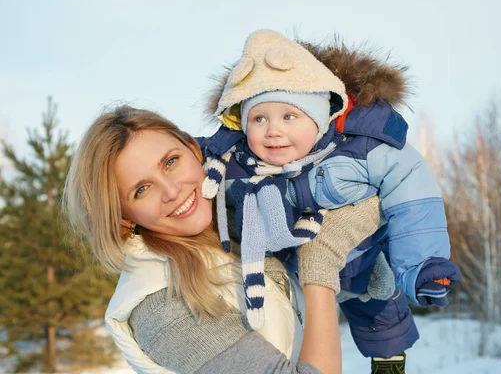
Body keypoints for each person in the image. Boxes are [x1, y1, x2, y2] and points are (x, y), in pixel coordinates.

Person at [200, 29, 462, 372]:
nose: (272, 130)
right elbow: (180, 165)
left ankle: (389, 362)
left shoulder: (362, 149)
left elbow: (413, 195)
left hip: (361, 257)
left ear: (321, 116)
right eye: (258, 118)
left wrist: (424, 263)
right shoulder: (236, 161)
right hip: (294, 274)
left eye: (289, 116)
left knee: (378, 305)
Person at [63, 106, 382, 374]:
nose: (172, 191)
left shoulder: (235, 233)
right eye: (142, 189)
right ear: (124, 216)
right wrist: (320, 268)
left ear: (193, 148)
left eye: (171, 162)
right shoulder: (164, 308)